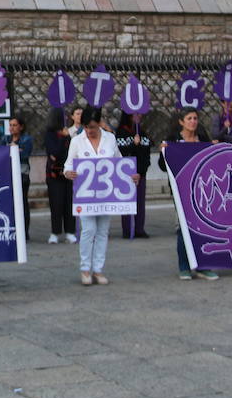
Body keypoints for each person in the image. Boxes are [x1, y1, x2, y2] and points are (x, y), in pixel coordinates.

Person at [66, 107, 138, 286]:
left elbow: (119, 162)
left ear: (99, 123)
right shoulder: (77, 141)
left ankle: (98, 269)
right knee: (88, 230)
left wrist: (130, 176)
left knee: (103, 231)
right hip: (86, 194)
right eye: (86, 127)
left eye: (92, 126)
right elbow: (68, 165)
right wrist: (69, 173)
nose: (89, 130)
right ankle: (85, 268)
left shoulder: (110, 138)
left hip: (106, 194)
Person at [159, 110, 219, 282]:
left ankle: (204, 266)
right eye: (189, 119)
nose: (193, 121)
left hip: (204, 190)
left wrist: (215, 147)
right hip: (181, 190)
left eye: (195, 118)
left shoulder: (202, 138)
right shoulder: (173, 139)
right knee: (183, 228)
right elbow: (164, 166)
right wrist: (164, 152)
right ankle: (184, 267)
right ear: (181, 122)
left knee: (205, 227)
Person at [114, 112, 152, 239]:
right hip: (125, 175)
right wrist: (133, 145)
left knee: (140, 203)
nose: (139, 116)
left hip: (140, 174)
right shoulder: (120, 132)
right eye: (135, 115)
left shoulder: (142, 132)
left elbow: (146, 153)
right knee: (126, 203)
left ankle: (139, 229)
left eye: (139, 114)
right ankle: (127, 229)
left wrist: (141, 172)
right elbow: (120, 152)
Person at [44, 108, 76, 245]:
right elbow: (54, 152)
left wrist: (67, 137)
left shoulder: (68, 134)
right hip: (54, 174)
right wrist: (63, 139)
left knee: (69, 203)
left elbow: (71, 152)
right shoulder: (50, 134)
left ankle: (70, 231)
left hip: (68, 173)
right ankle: (55, 232)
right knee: (56, 204)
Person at [0, 116, 33, 234]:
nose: (12, 128)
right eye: (10, 125)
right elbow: (1, 153)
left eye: (15, 125)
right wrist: (15, 150)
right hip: (8, 174)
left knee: (22, 203)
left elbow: (24, 154)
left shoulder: (26, 139)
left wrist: (13, 150)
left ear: (21, 127)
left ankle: (24, 232)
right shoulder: (5, 138)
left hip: (22, 174)